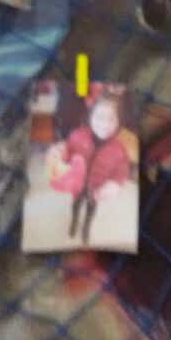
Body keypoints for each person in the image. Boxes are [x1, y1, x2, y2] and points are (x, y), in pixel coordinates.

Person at [51, 94, 135, 244]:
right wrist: (61, 153)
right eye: (100, 117)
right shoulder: (77, 135)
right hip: (77, 185)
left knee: (91, 209)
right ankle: (74, 222)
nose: (105, 124)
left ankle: (86, 228)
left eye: (111, 119)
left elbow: (122, 170)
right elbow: (68, 152)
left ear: (119, 122)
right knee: (76, 204)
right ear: (90, 117)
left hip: (97, 189)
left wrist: (115, 183)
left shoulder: (119, 149)